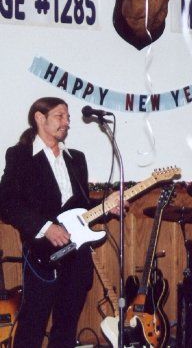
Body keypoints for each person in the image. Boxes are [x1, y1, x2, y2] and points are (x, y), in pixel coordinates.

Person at [0, 97, 121, 348]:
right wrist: (46, 228)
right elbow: (7, 203)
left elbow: (80, 208)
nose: (66, 122)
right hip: (42, 254)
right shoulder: (20, 155)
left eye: (68, 117)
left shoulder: (76, 158)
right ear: (39, 118)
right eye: (59, 116)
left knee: (66, 327)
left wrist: (107, 208)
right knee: (32, 325)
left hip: (77, 256)